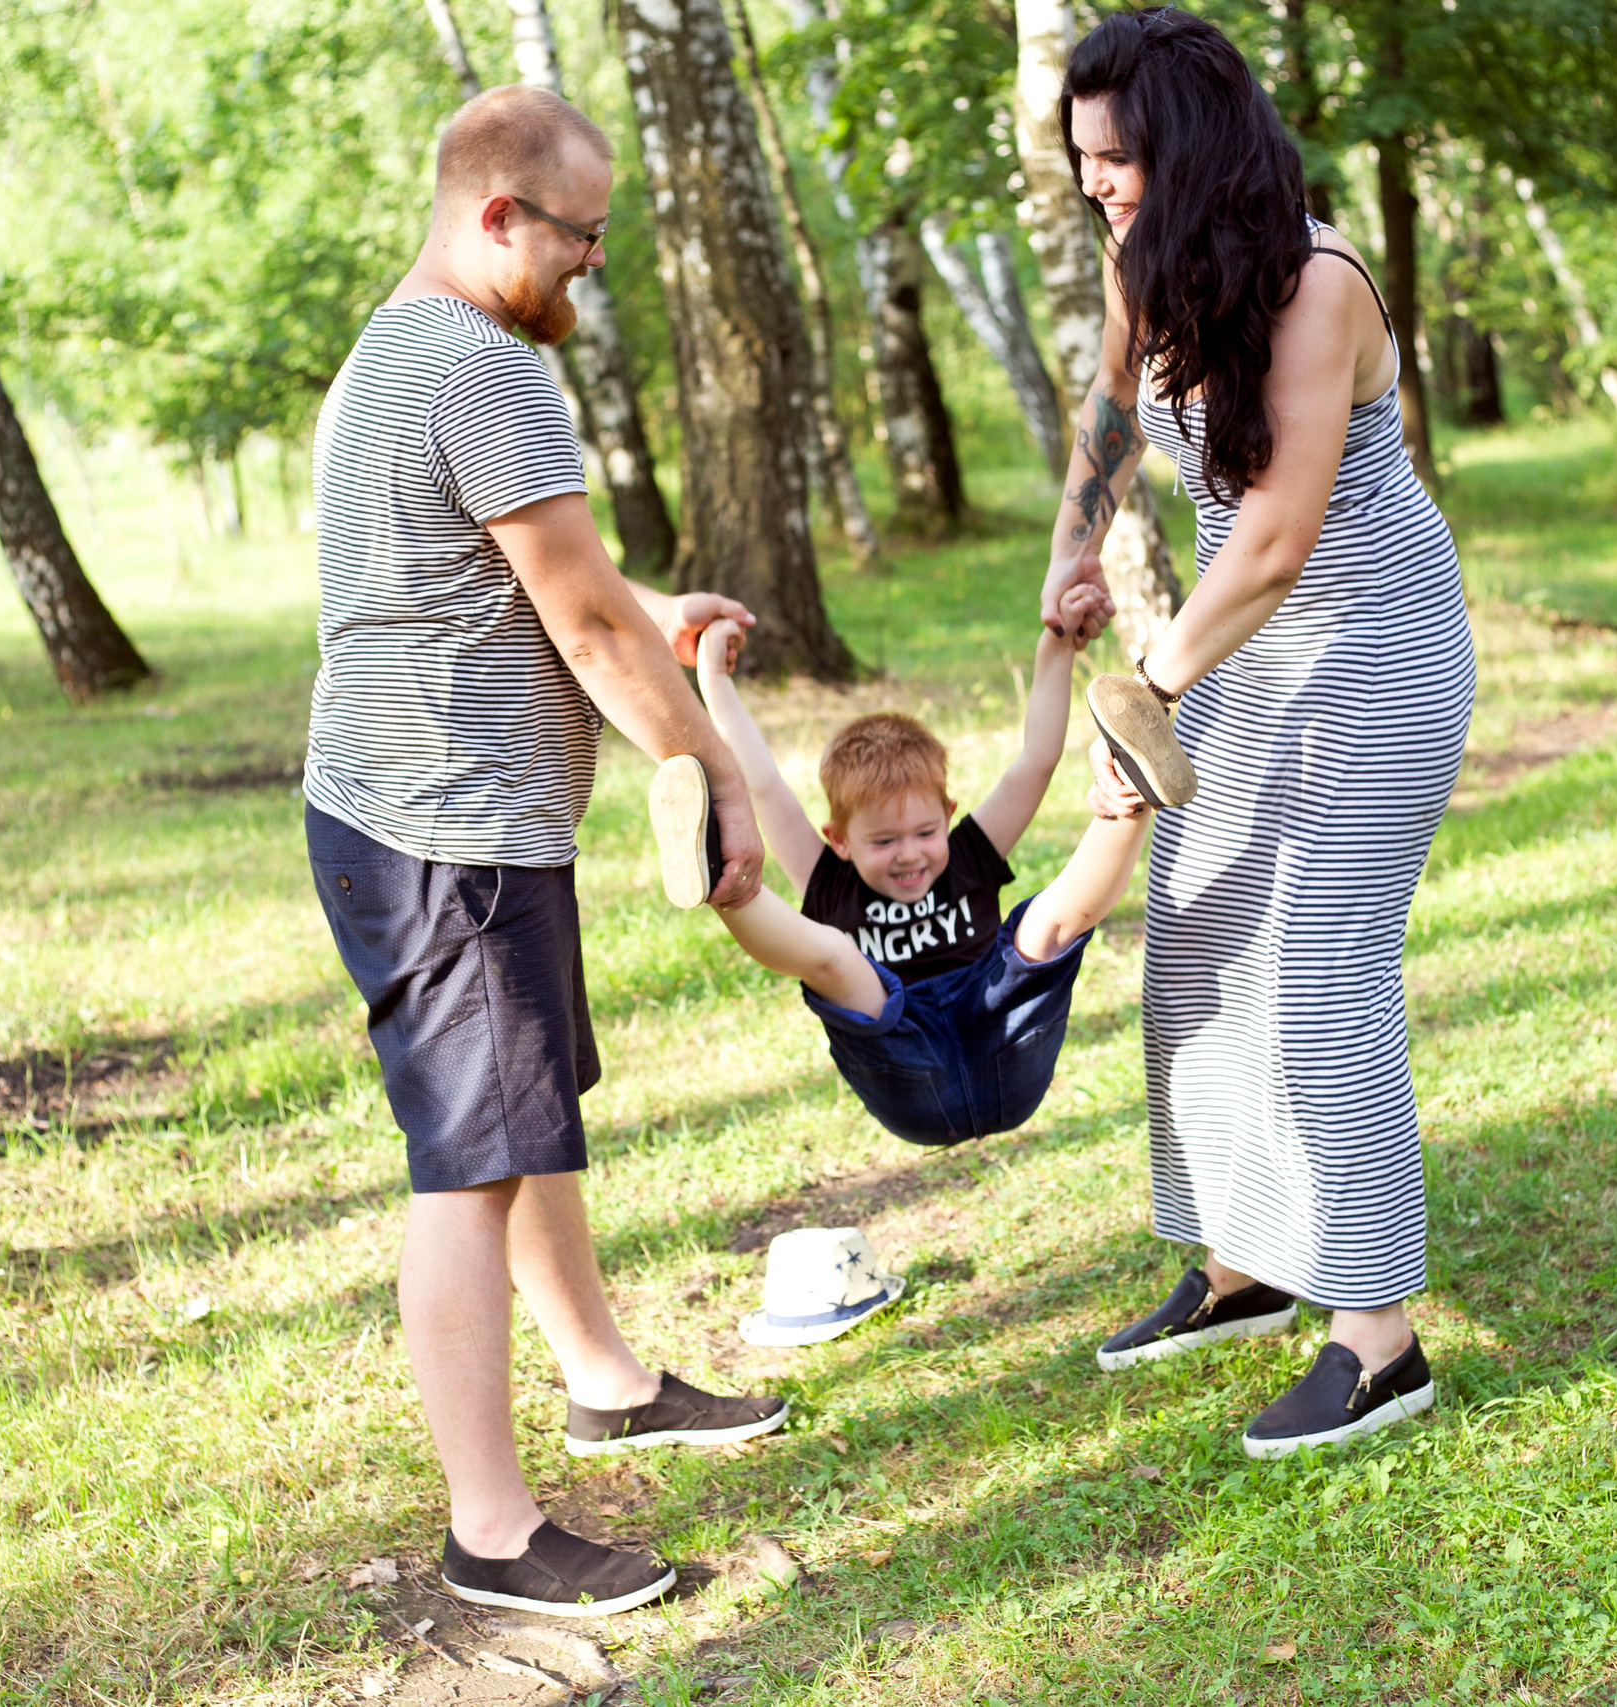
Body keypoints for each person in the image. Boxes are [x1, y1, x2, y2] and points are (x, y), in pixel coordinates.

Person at [301, 84, 787, 1617]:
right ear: (497, 213)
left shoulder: (395, 352)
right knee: (475, 1164)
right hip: (443, 834)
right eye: (580, 233)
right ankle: (493, 1530)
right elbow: (581, 622)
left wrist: (655, 612)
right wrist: (716, 773)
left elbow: (538, 569)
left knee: (527, 1121)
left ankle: (605, 1380)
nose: (593, 261)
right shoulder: (483, 366)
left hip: (432, 817)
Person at [1045, 9, 1476, 1456]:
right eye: (1082, 156)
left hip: (1370, 645)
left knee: (1317, 970)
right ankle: (1244, 1266)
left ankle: (1379, 1340)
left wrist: (1148, 690)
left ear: (1192, 146)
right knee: (1197, 944)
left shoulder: (1319, 285)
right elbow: (1114, 404)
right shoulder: (1146, 264)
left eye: (1117, 156)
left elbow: (1280, 537)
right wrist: (1075, 541)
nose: (1095, 181)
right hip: (1242, 650)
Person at [648, 594, 1149, 1146]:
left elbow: (1036, 761)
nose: (909, 854)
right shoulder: (829, 878)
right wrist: (716, 680)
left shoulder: (970, 854)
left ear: (948, 816)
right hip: (908, 1069)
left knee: (1044, 925)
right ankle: (722, 876)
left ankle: (1132, 788)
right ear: (839, 840)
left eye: (925, 833)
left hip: (1002, 1039)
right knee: (836, 958)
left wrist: (1055, 646)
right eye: (884, 841)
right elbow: (763, 785)